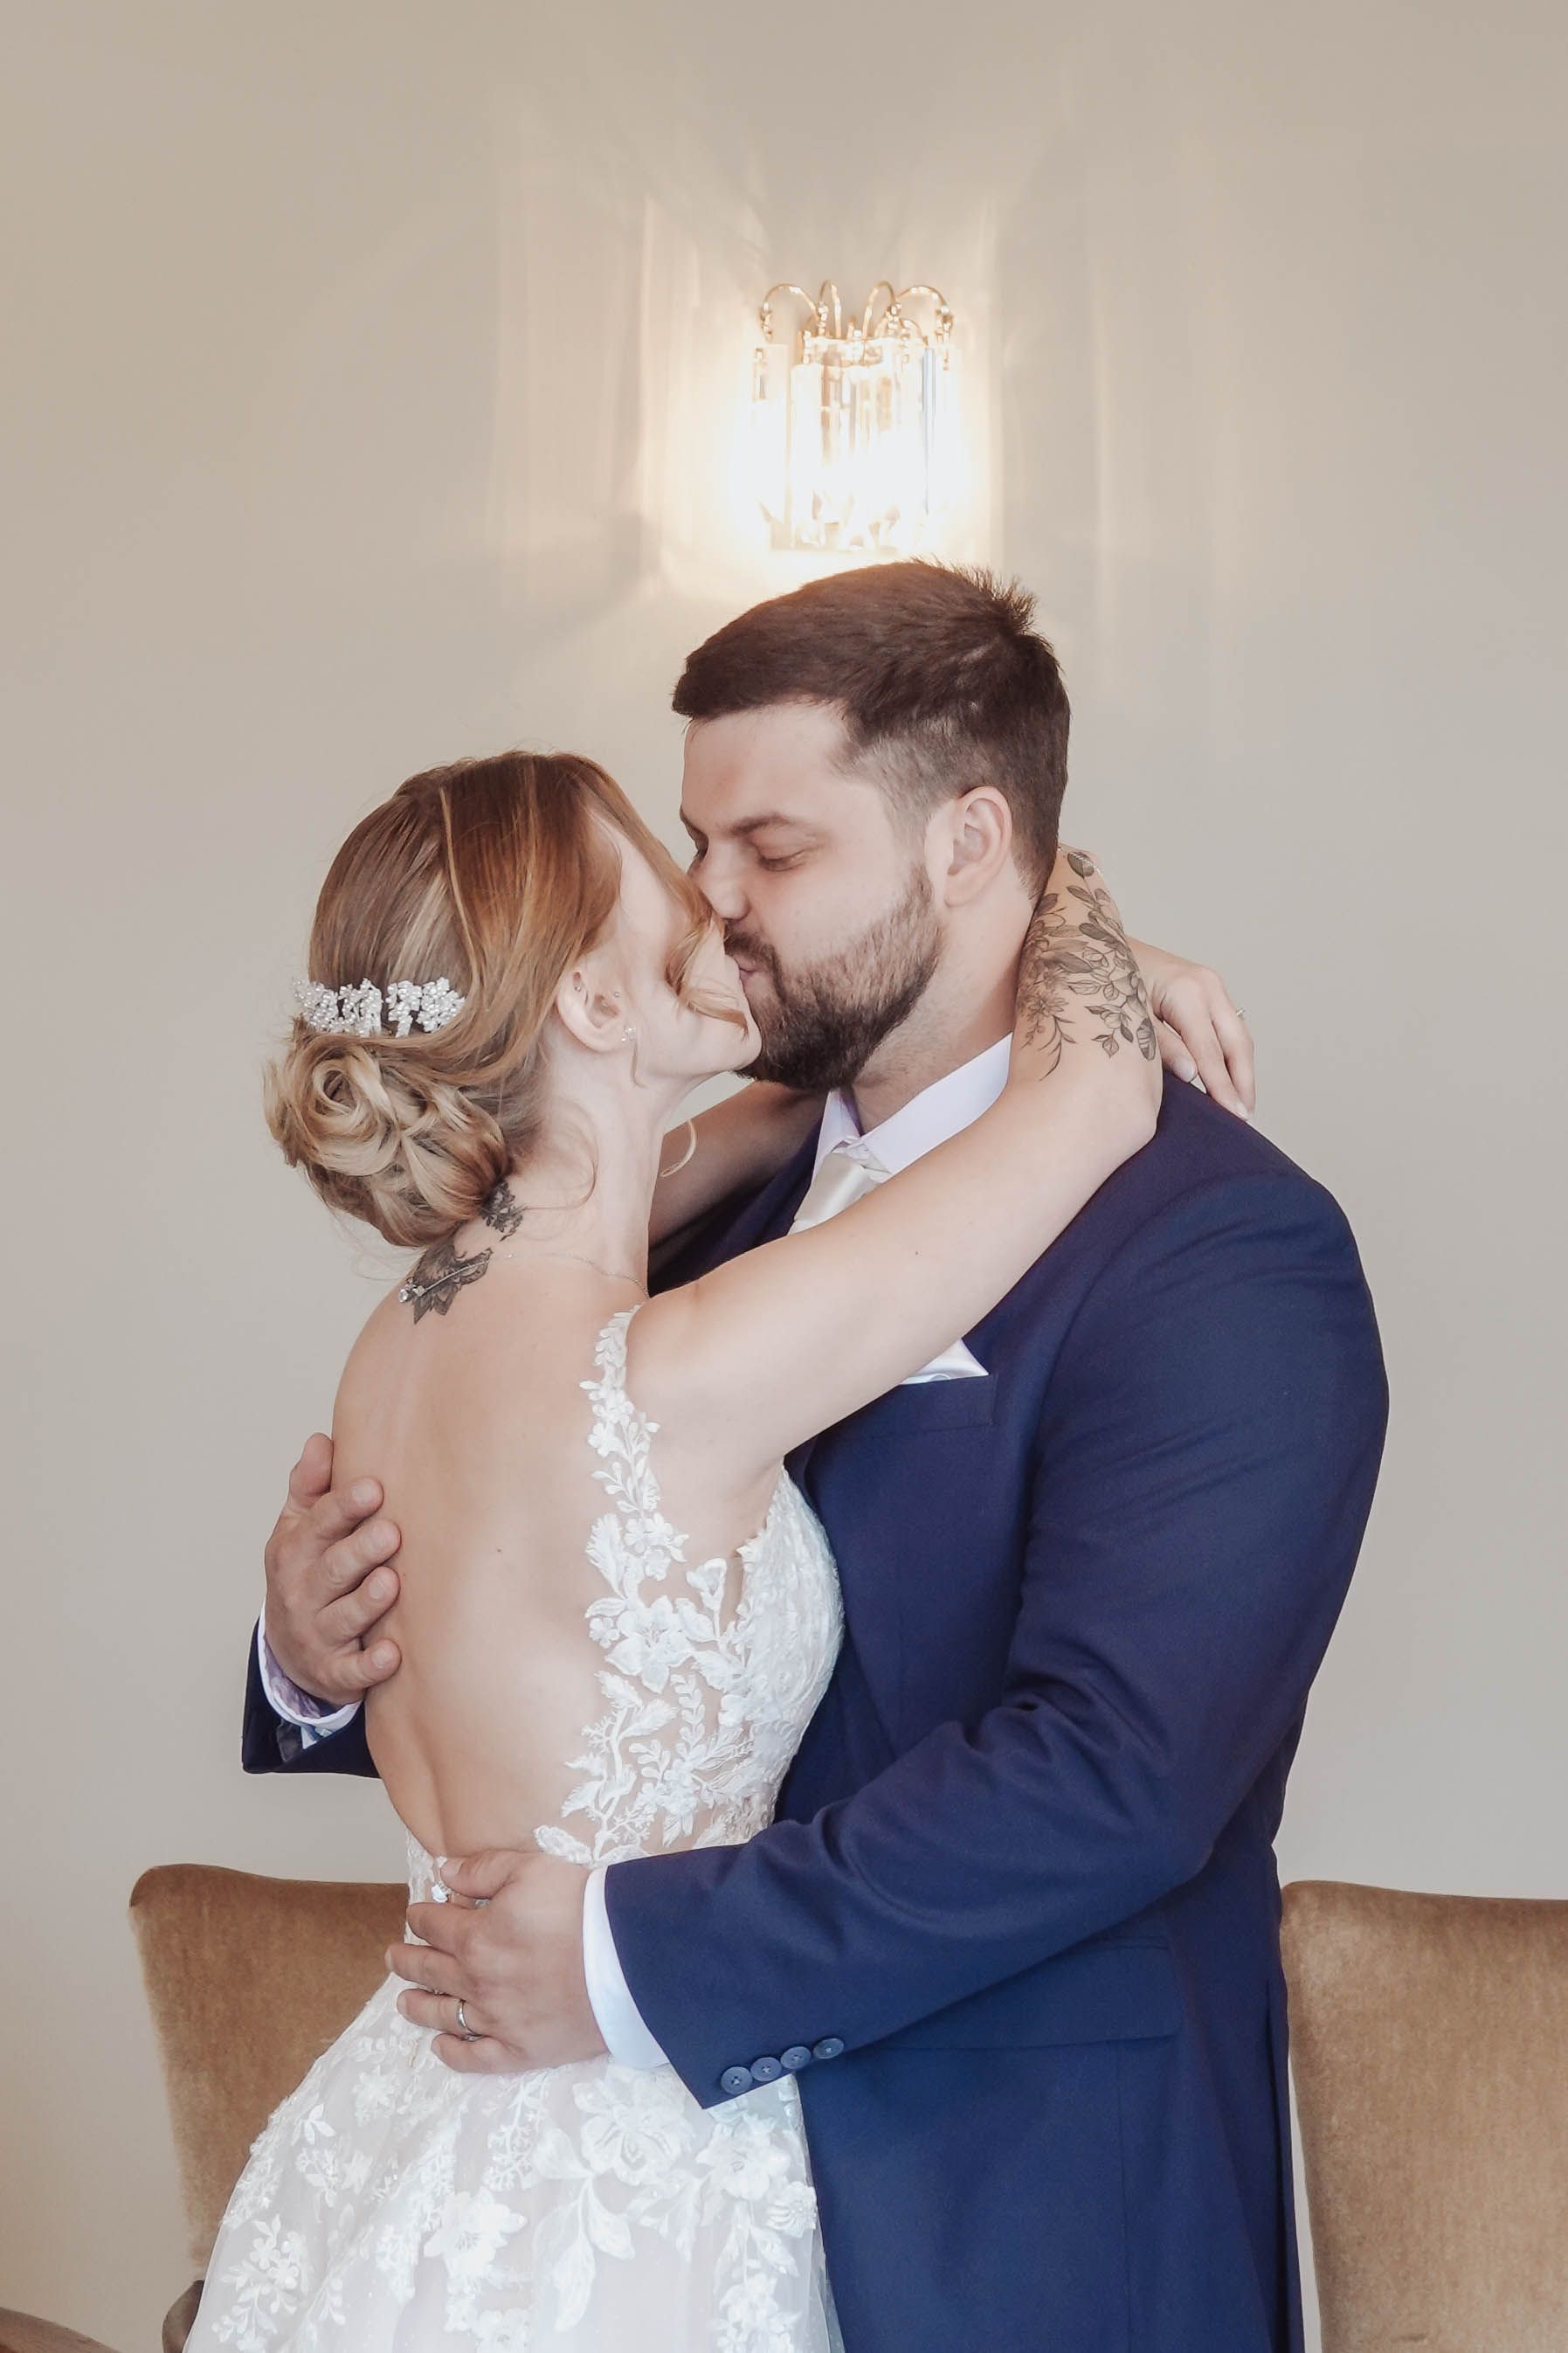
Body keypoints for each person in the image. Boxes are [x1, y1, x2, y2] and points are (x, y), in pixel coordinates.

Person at [246, 564, 1387, 2352]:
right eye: (693, 847)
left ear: (966, 844)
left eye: (770, 851)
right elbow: (529, 1590)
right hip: (627, 2198)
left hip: (1015, 2220)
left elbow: (1118, 1774)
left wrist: (631, 1958)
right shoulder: (670, 1222)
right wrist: (309, 1652)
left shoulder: (1216, 1247)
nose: (714, 901)